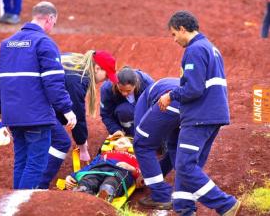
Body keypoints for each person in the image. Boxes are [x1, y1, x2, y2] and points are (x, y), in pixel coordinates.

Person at [158, 11, 240, 216]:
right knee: (189, 165)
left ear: (182, 29)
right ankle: (184, 208)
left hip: (199, 117)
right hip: (212, 115)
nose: (174, 40)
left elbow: (193, 89)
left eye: (174, 34)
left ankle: (225, 204)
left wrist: (171, 95)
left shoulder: (194, 50)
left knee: (185, 166)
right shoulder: (211, 48)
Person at [0, 1, 77, 189]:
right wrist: (67, 109)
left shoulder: (7, 44)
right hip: (36, 116)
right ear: (50, 18)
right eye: (54, 22)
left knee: (21, 160)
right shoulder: (44, 43)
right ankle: (23, 206)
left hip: (12, 116)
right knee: (36, 164)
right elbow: (53, 82)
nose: (53, 26)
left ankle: (15, 203)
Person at [38, 50, 118, 189]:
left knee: (51, 130)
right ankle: (39, 185)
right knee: (61, 141)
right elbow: (77, 114)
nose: (105, 80)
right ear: (97, 68)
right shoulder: (79, 79)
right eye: (106, 76)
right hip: (35, 104)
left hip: (27, 96)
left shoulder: (75, 59)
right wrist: (82, 146)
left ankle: (30, 179)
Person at [133, 78, 180, 210]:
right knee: (174, 146)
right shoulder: (154, 86)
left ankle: (161, 195)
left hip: (172, 100)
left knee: (142, 145)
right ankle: (184, 192)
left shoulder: (141, 102)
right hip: (193, 104)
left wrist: (145, 169)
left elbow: (140, 135)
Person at [65, 137, 143, 202]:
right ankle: (83, 191)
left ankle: (105, 195)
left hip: (119, 171)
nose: (122, 140)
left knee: (111, 182)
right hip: (98, 169)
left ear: (130, 146)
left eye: (126, 141)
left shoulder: (134, 157)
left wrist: (131, 168)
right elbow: (90, 166)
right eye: (118, 140)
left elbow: (140, 172)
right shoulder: (103, 154)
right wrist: (73, 176)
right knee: (89, 178)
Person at [100, 66, 154, 137]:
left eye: (128, 90)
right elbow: (106, 114)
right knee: (124, 110)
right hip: (122, 116)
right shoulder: (107, 88)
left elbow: (155, 107)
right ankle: (129, 133)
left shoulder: (147, 83)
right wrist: (115, 129)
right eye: (120, 90)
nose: (124, 93)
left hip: (143, 114)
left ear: (136, 84)